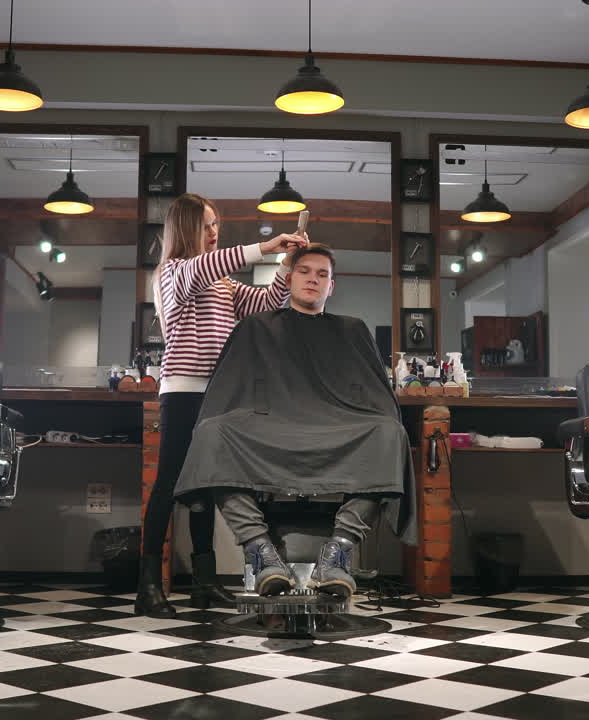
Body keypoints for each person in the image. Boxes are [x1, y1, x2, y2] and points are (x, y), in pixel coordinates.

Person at [173, 243, 415, 599]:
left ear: (331, 286)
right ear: (288, 279)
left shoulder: (352, 329)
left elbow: (374, 397)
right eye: (304, 271)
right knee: (213, 433)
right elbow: (231, 390)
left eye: (322, 275)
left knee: (389, 432)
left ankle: (340, 552)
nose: (312, 280)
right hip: (269, 428)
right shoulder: (256, 326)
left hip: (337, 427)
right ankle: (261, 552)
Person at [136, 193, 308, 618]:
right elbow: (202, 268)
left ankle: (205, 581)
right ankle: (147, 586)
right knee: (169, 485)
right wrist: (265, 247)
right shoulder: (173, 273)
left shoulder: (223, 284)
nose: (214, 232)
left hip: (219, 394)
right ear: (187, 228)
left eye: (217, 225)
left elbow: (266, 304)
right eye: (207, 225)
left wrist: (285, 267)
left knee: (206, 485)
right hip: (182, 391)